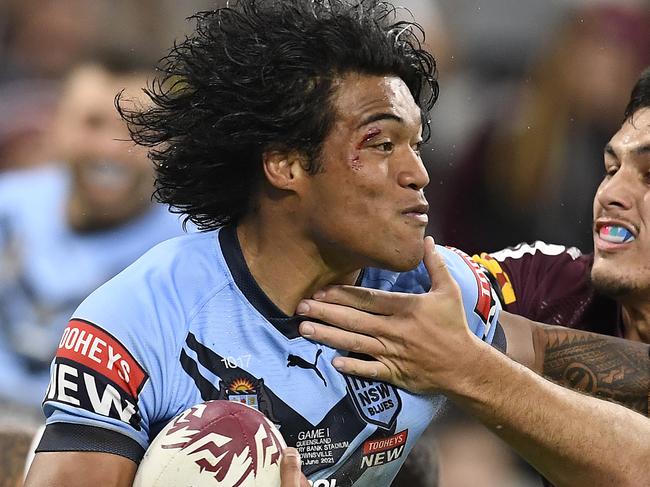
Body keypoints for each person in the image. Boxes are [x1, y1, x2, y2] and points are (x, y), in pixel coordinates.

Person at [21, 2, 647, 486]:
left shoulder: (428, 297)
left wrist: (469, 367)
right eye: (381, 144)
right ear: (286, 163)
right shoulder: (133, 326)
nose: (419, 173)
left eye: (416, 144)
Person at [294, 68, 650, 485]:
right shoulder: (550, 283)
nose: (610, 194)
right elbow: (435, 311)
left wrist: (468, 368)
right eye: (610, 170)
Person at [0, 52, 187, 411]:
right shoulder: (9, 206)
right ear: (55, 127)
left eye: (139, 129)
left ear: (167, 144)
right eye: (93, 123)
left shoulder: (191, 252)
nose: (111, 149)